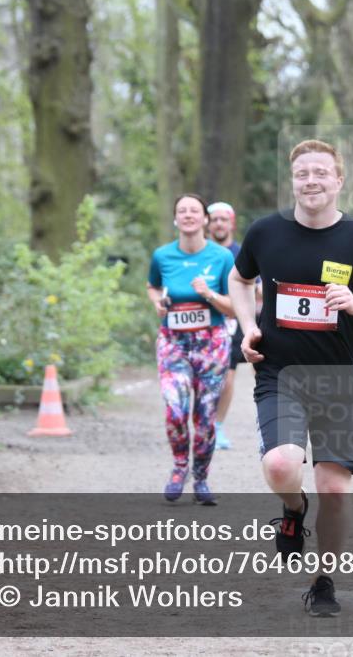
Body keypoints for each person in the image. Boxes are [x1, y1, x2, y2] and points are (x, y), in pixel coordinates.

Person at [228, 139, 353, 617]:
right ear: (294, 181)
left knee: (336, 489)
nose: (311, 181)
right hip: (280, 372)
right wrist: (248, 326)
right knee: (282, 466)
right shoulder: (266, 233)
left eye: (321, 173)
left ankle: (324, 582)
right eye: (303, 173)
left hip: (338, 378)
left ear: (339, 180)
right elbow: (239, 279)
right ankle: (292, 509)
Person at [147, 194, 235, 505]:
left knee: (205, 417)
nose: (188, 215)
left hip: (211, 342)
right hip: (173, 341)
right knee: (175, 409)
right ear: (175, 219)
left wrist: (209, 294)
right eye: (181, 210)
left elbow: (235, 307)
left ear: (205, 220)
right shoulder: (161, 255)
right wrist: (158, 302)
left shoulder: (222, 257)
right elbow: (153, 286)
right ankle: (179, 466)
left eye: (194, 210)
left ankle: (201, 478)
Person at [206, 201, 240, 450]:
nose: (218, 223)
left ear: (231, 223)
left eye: (223, 219)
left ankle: (217, 426)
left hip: (230, 323)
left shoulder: (241, 252)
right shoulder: (199, 252)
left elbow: (258, 288)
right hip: (201, 322)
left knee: (226, 377)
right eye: (214, 219)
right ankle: (200, 424)